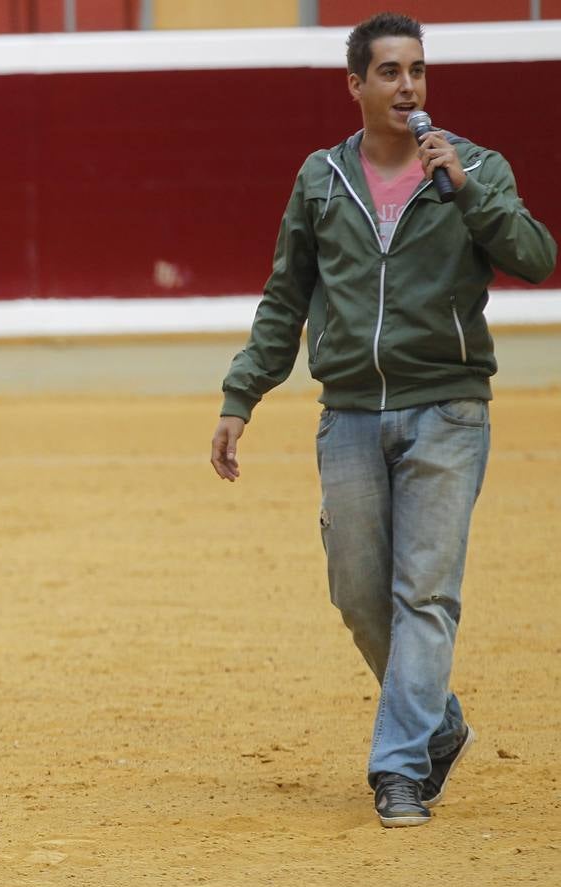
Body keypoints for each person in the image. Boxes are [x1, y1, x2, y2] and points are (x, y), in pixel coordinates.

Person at [209, 12, 556, 828]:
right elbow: (285, 297)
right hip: (352, 414)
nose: (408, 87)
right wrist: (240, 395)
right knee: (358, 593)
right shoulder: (321, 178)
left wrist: (468, 195)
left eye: (418, 72)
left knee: (424, 595)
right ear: (356, 85)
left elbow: (535, 257)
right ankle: (436, 722)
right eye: (391, 72)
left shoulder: (471, 167)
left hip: (448, 408)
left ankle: (397, 770)